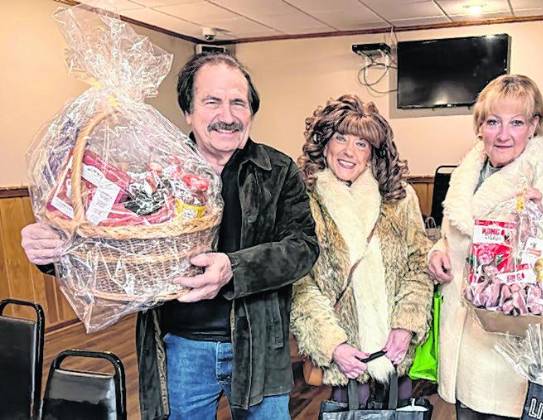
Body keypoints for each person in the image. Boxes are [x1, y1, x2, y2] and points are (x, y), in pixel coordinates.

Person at [20, 52, 320, 419]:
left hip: (259, 346)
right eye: (212, 102)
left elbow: (303, 248)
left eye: (238, 103)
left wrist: (233, 269)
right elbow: (110, 244)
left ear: (251, 113)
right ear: (188, 112)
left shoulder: (278, 170)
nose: (227, 116)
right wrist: (54, 252)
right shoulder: (152, 172)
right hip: (179, 347)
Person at [427, 74, 543, 419]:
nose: (503, 134)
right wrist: (437, 253)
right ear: (480, 127)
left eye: (516, 122)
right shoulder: (467, 172)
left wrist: (533, 220)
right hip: (461, 332)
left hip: (506, 344)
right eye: (493, 122)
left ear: (533, 126)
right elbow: (450, 235)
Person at [290, 94, 433, 404]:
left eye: (361, 143)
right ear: (323, 142)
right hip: (346, 358)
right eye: (340, 137)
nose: (348, 151)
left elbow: (419, 264)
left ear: (374, 153)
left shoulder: (400, 197)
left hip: (395, 353)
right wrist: (332, 345)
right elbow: (300, 283)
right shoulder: (303, 201)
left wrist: (405, 326)